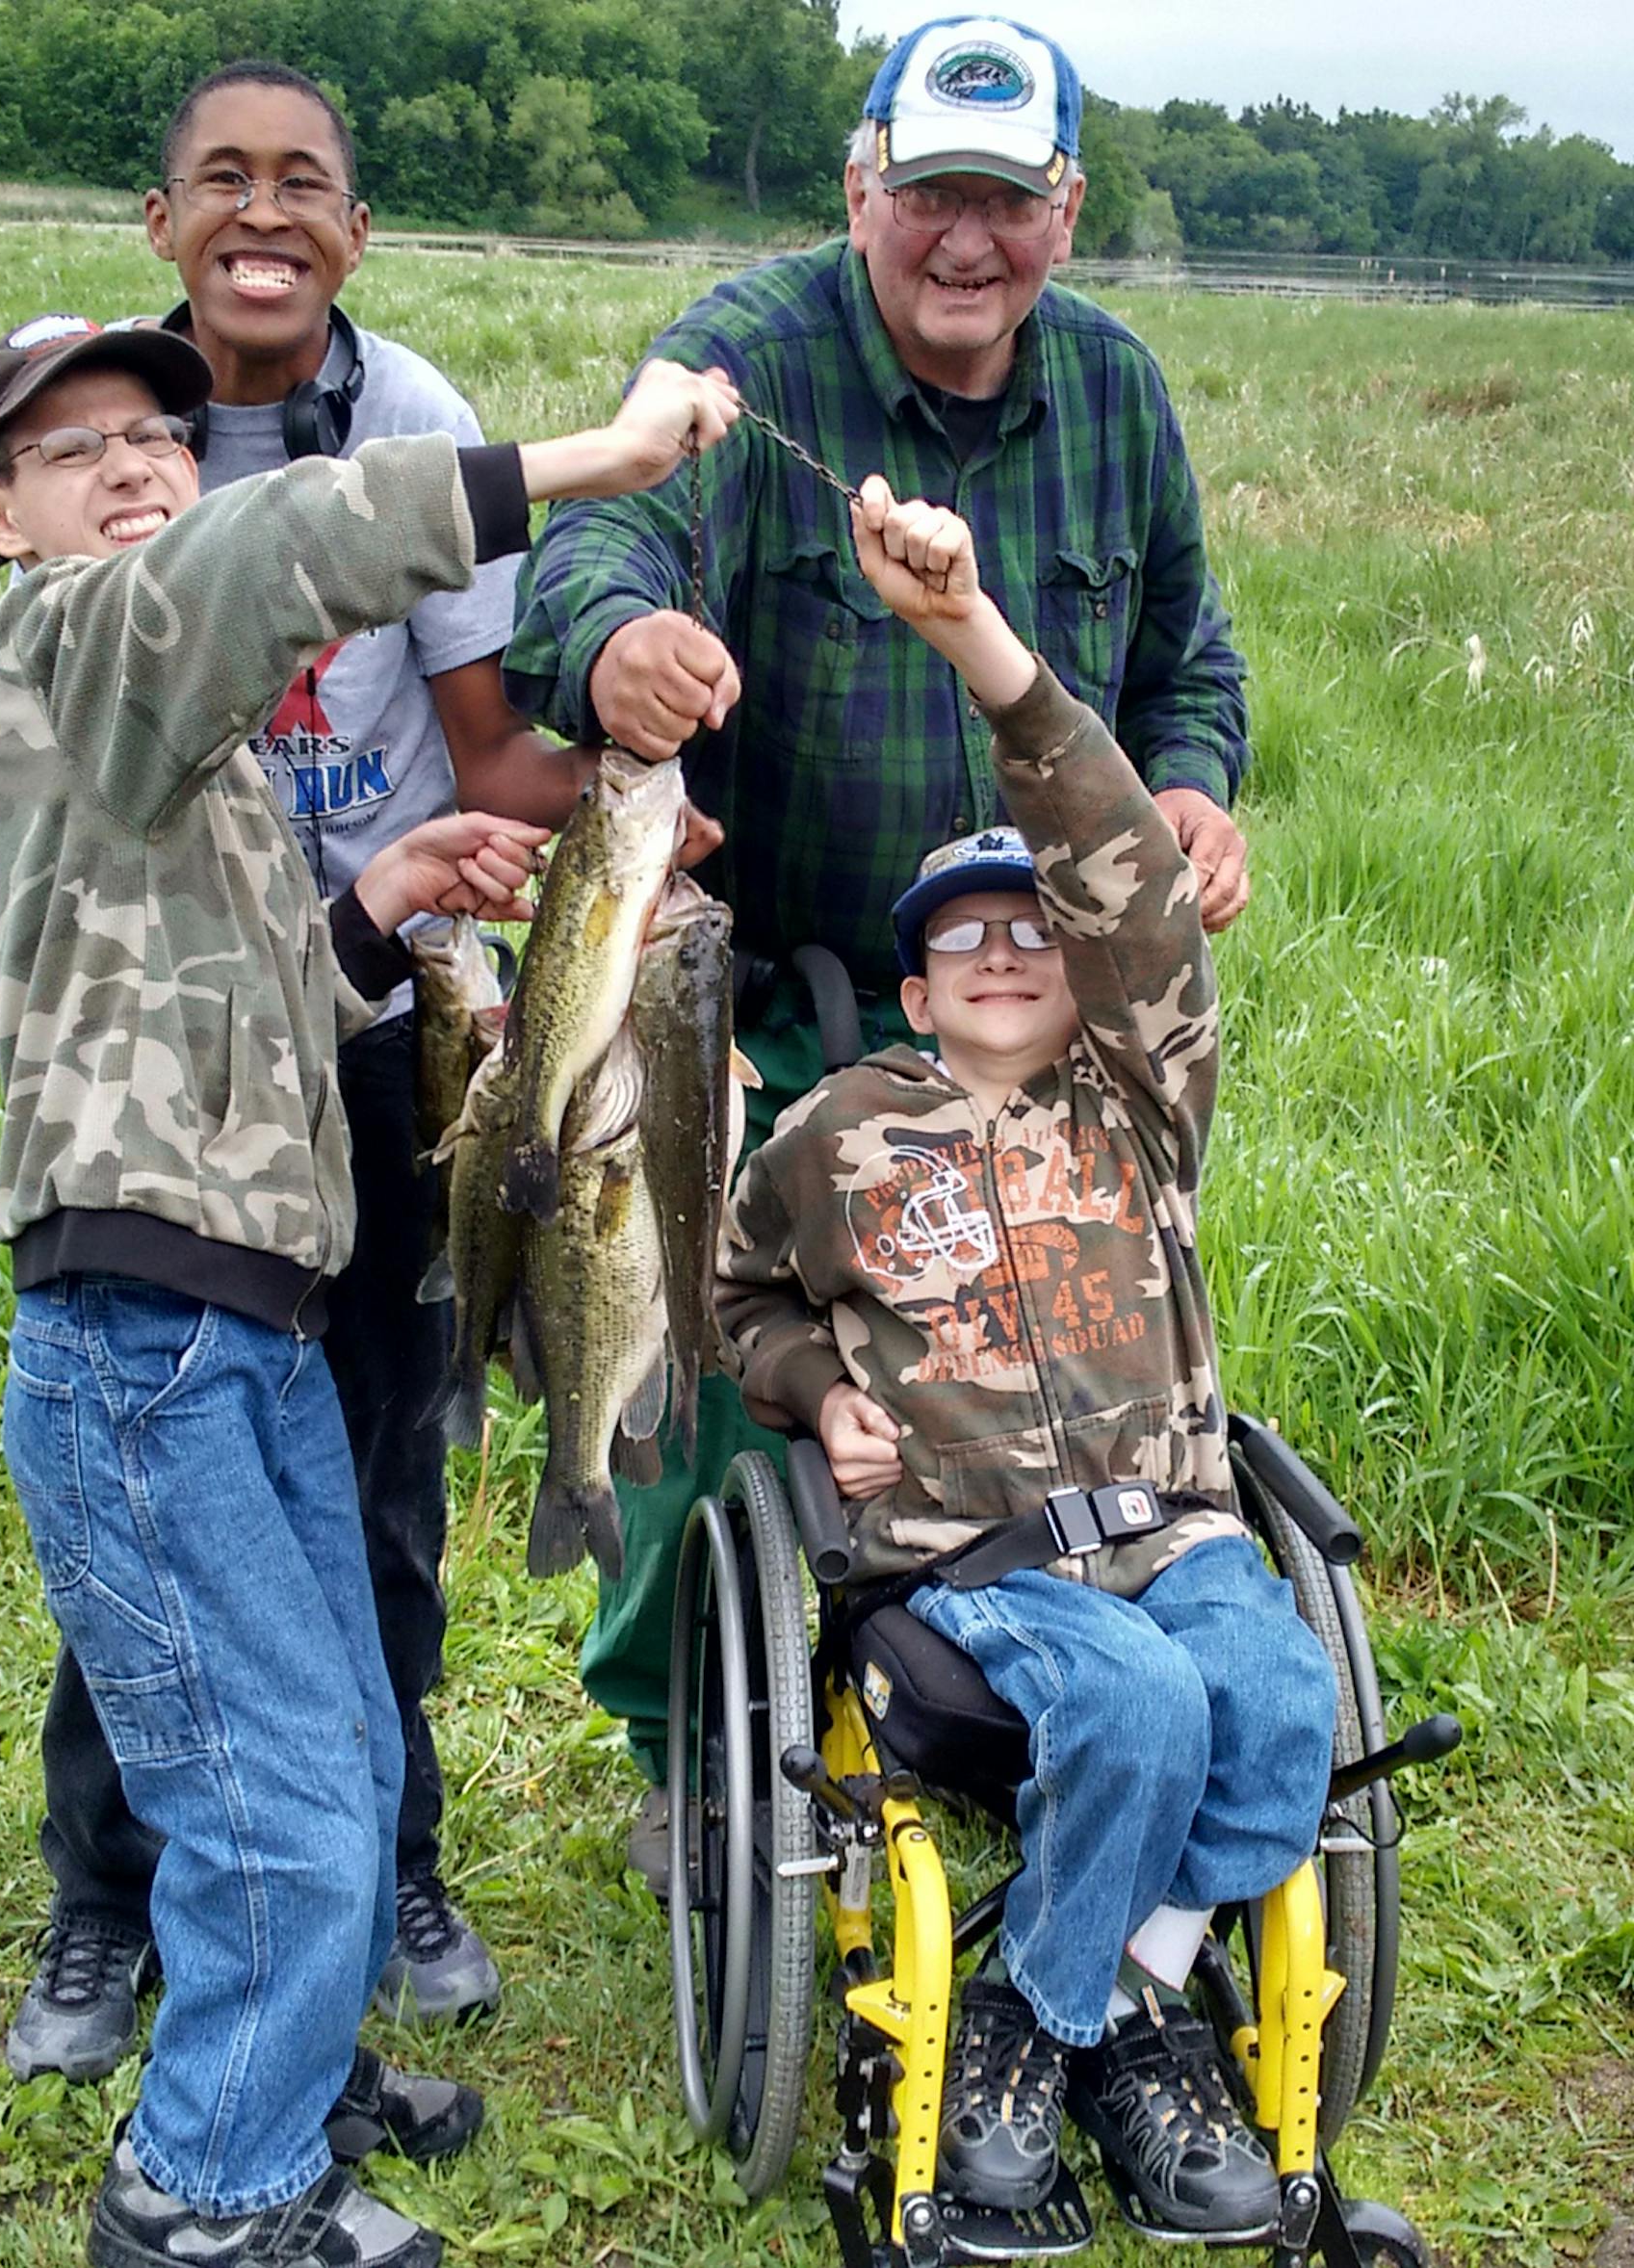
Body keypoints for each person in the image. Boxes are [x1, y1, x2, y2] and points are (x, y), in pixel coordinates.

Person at [0, 61, 661, 2059]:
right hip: (155, 1147)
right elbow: (127, 659)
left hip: (357, 1018)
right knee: (165, 1537)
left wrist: (610, 798)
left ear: (357, 230)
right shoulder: (126, 505)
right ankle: (107, 1910)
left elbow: (461, 717)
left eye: (306, 183)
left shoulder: (409, 415)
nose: (263, 211)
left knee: (364, 1486)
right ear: (163, 223)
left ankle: (383, 1865)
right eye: (221, 180)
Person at [0, 310, 737, 2268]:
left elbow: (259, 1007)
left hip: (257, 1313)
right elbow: (272, 546)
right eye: (74, 448)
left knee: (353, 1743)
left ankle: (285, 2064)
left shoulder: (169, 740)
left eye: (156, 435)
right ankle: (204, 2190)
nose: (132, 465)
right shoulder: (61, 639)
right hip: (148, 1337)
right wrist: (588, 469)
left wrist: (382, 902)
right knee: (272, 1787)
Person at [501, 13, 1254, 1880]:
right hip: (766, 982)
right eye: (930, 194)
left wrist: (1191, 787)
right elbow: (595, 547)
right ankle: (694, 1731)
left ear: (1063, 209)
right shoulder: (749, 355)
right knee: (699, 1324)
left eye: (1005, 198)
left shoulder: (1117, 393)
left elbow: (1189, 669)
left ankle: (1027, 1652)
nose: (965, 238)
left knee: (1036, 1311)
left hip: (1032, 999)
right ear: (863, 188)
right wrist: (614, 651)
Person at [715, 478, 1334, 2233]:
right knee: (1138, 1707)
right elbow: (739, 1300)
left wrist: (985, 650)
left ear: (1089, 981)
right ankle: (1067, 2028)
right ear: (914, 995)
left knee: (1276, 1697)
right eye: (958, 941)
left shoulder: (1142, 1104)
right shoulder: (838, 1134)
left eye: (1031, 935)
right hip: (970, 1565)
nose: (1001, 952)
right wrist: (813, 1392)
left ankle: (1100, 2001)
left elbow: (1129, 883)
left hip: (1176, 1525)